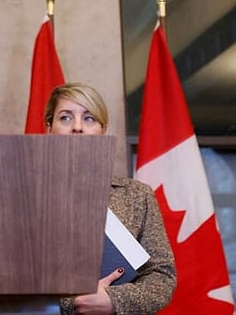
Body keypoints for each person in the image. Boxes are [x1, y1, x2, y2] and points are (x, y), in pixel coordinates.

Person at [45, 82, 176, 315]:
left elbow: (162, 276)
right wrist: (73, 301)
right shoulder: (24, 196)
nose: (77, 127)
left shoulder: (137, 196)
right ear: (49, 128)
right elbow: (6, 277)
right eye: (65, 118)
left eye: (88, 118)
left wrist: (113, 300)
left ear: (102, 129)